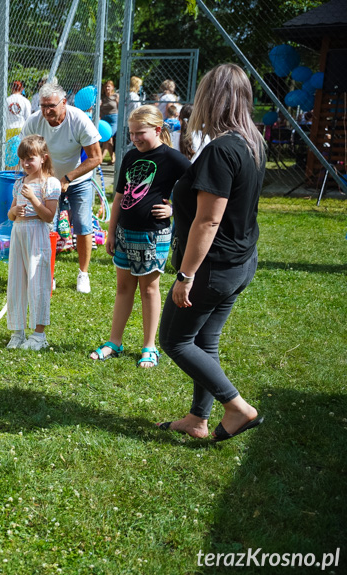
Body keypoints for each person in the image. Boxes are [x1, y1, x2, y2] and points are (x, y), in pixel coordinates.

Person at [157, 63, 266, 442]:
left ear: (211, 99)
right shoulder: (253, 142)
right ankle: (198, 418)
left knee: (174, 340)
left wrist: (185, 277)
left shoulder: (222, 151)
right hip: (239, 263)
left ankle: (237, 408)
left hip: (213, 269)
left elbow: (208, 221)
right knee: (204, 341)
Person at [91, 105, 190, 367]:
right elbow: (120, 196)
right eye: (131, 133)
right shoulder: (130, 156)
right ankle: (115, 341)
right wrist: (111, 232)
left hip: (153, 236)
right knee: (123, 288)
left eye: (140, 133)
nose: (134, 138)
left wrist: (173, 209)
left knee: (149, 289)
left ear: (157, 130)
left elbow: (196, 189)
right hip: (125, 233)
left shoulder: (172, 158)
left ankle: (149, 346)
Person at [21, 81, 102, 294]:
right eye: (42, 106)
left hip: (78, 179)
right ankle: (49, 275)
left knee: (83, 224)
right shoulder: (34, 122)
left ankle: (83, 274)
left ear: (64, 103)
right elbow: (26, 155)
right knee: (47, 227)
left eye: (51, 106)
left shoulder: (79, 120)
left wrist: (68, 178)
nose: (46, 111)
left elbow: (96, 157)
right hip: (47, 181)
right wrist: (33, 180)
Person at [5, 135, 61, 351]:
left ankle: (38, 334)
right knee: (16, 282)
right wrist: (13, 211)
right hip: (18, 231)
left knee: (38, 282)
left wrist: (34, 200)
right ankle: (17, 331)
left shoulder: (50, 183)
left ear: (43, 158)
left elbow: (48, 216)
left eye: (30, 159)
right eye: (23, 159)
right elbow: (10, 213)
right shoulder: (20, 182)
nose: (26, 164)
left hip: (37, 233)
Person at [99, 80, 120, 165]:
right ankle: (112, 157)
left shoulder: (116, 96)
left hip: (114, 119)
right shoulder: (102, 97)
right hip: (104, 119)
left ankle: (100, 158)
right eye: (106, 86)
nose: (107, 88)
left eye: (109, 86)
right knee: (108, 138)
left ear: (112, 87)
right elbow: (99, 109)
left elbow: (119, 108)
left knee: (108, 137)